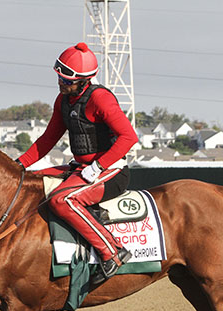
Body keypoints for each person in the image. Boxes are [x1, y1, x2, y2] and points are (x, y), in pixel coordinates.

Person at [16, 42, 138, 285]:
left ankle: (112, 252)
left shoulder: (100, 99)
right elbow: (47, 139)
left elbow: (129, 137)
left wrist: (99, 166)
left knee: (63, 200)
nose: (61, 83)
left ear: (84, 80)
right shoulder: (62, 101)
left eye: (67, 80)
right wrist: (18, 165)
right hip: (81, 167)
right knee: (32, 180)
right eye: (59, 78)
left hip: (111, 171)